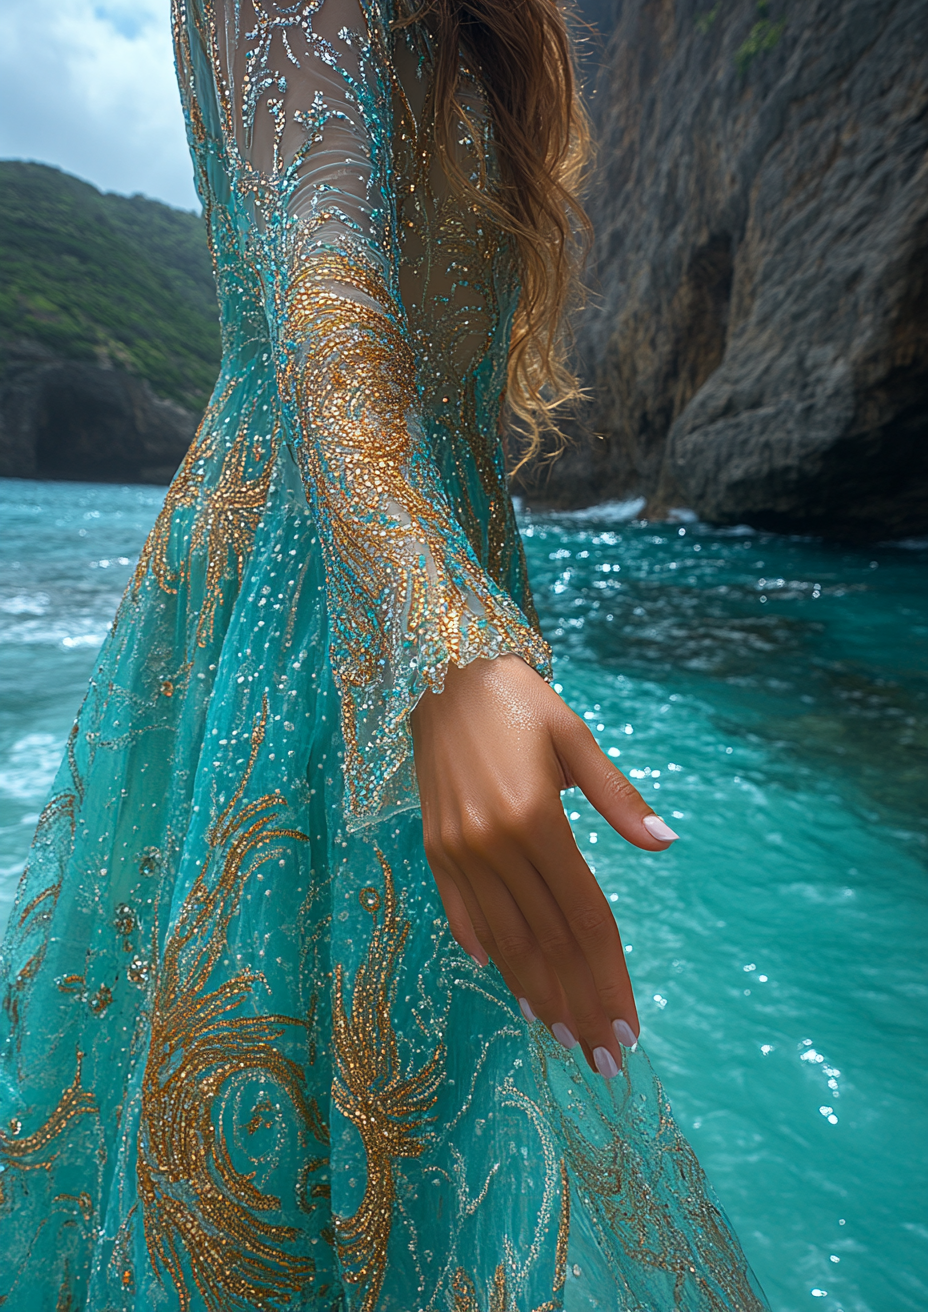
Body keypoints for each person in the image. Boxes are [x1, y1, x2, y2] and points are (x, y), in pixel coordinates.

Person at [0, 1, 770, 1307]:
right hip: (317, 609)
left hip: (406, 566)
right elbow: (328, 329)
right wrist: (450, 640)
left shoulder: (485, 31)